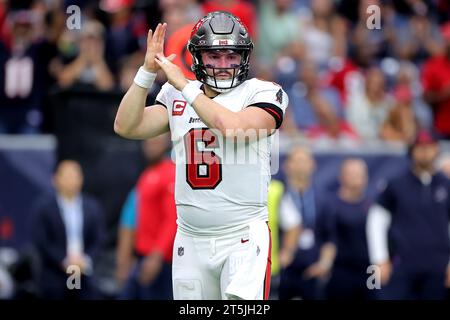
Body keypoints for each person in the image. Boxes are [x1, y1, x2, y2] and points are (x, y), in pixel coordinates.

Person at [114, 11, 289, 300]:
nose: (223, 65)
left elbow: (231, 128)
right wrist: (146, 73)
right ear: (197, 57)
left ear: (244, 58)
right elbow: (126, 126)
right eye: (214, 56)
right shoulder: (177, 95)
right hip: (190, 239)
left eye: (231, 56)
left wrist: (185, 86)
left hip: (242, 237)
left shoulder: (263, 92)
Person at [366, 130, 450, 300]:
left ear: (436, 150)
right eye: (420, 148)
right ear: (411, 151)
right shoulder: (396, 184)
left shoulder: (446, 184)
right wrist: (379, 259)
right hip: (403, 264)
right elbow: (376, 220)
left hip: (437, 265)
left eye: (429, 147)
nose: (425, 152)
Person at [30, 160, 105, 299]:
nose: (71, 180)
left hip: (84, 274)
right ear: (55, 179)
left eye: (75, 175)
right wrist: (64, 261)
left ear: (81, 179)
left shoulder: (92, 207)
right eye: (67, 175)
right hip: (55, 275)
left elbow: (98, 239)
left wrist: (85, 260)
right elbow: (41, 240)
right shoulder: (44, 208)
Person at [116, 133, 177, 300]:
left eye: (156, 141)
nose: (150, 145)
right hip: (143, 258)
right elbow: (131, 220)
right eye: (148, 141)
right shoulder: (147, 174)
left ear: (167, 143)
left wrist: (156, 256)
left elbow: (172, 219)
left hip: (160, 262)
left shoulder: (170, 173)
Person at [321, 158, 373, 300]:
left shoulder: (372, 206)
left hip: (370, 270)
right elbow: (328, 239)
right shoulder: (330, 205)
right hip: (340, 270)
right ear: (341, 177)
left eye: (361, 174)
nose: (357, 178)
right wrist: (324, 264)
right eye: (352, 174)